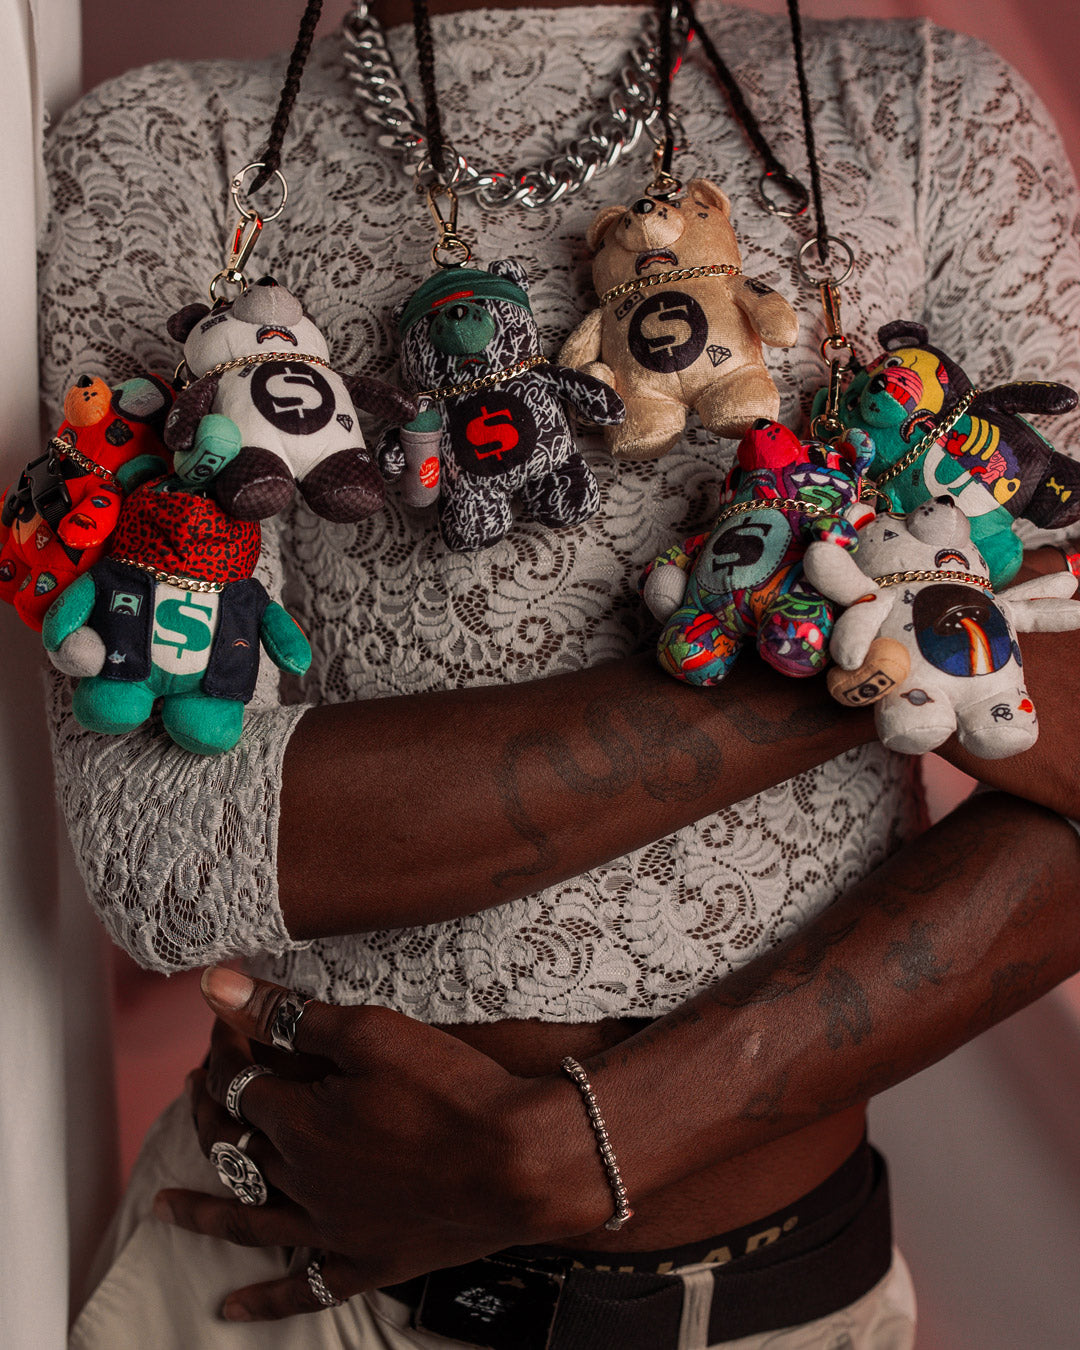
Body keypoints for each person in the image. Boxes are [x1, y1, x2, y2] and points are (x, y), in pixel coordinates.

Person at [43, 2, 1080, 1346]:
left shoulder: (922, 112)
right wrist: (860, 644)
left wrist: (604, 1142)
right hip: (288, 1306)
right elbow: (170, 852)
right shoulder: (179, 142)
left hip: (788, 1310)